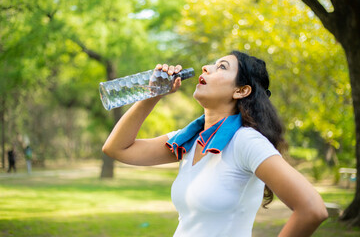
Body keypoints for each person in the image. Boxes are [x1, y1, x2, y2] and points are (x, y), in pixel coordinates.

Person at [102, 50, 328, 236]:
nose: (206, 68)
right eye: (212, 64)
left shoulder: (245, 140)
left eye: (222, 67)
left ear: (241, 90)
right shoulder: (189, 140)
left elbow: (312, 209)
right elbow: (117, 148)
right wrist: (153, 95)